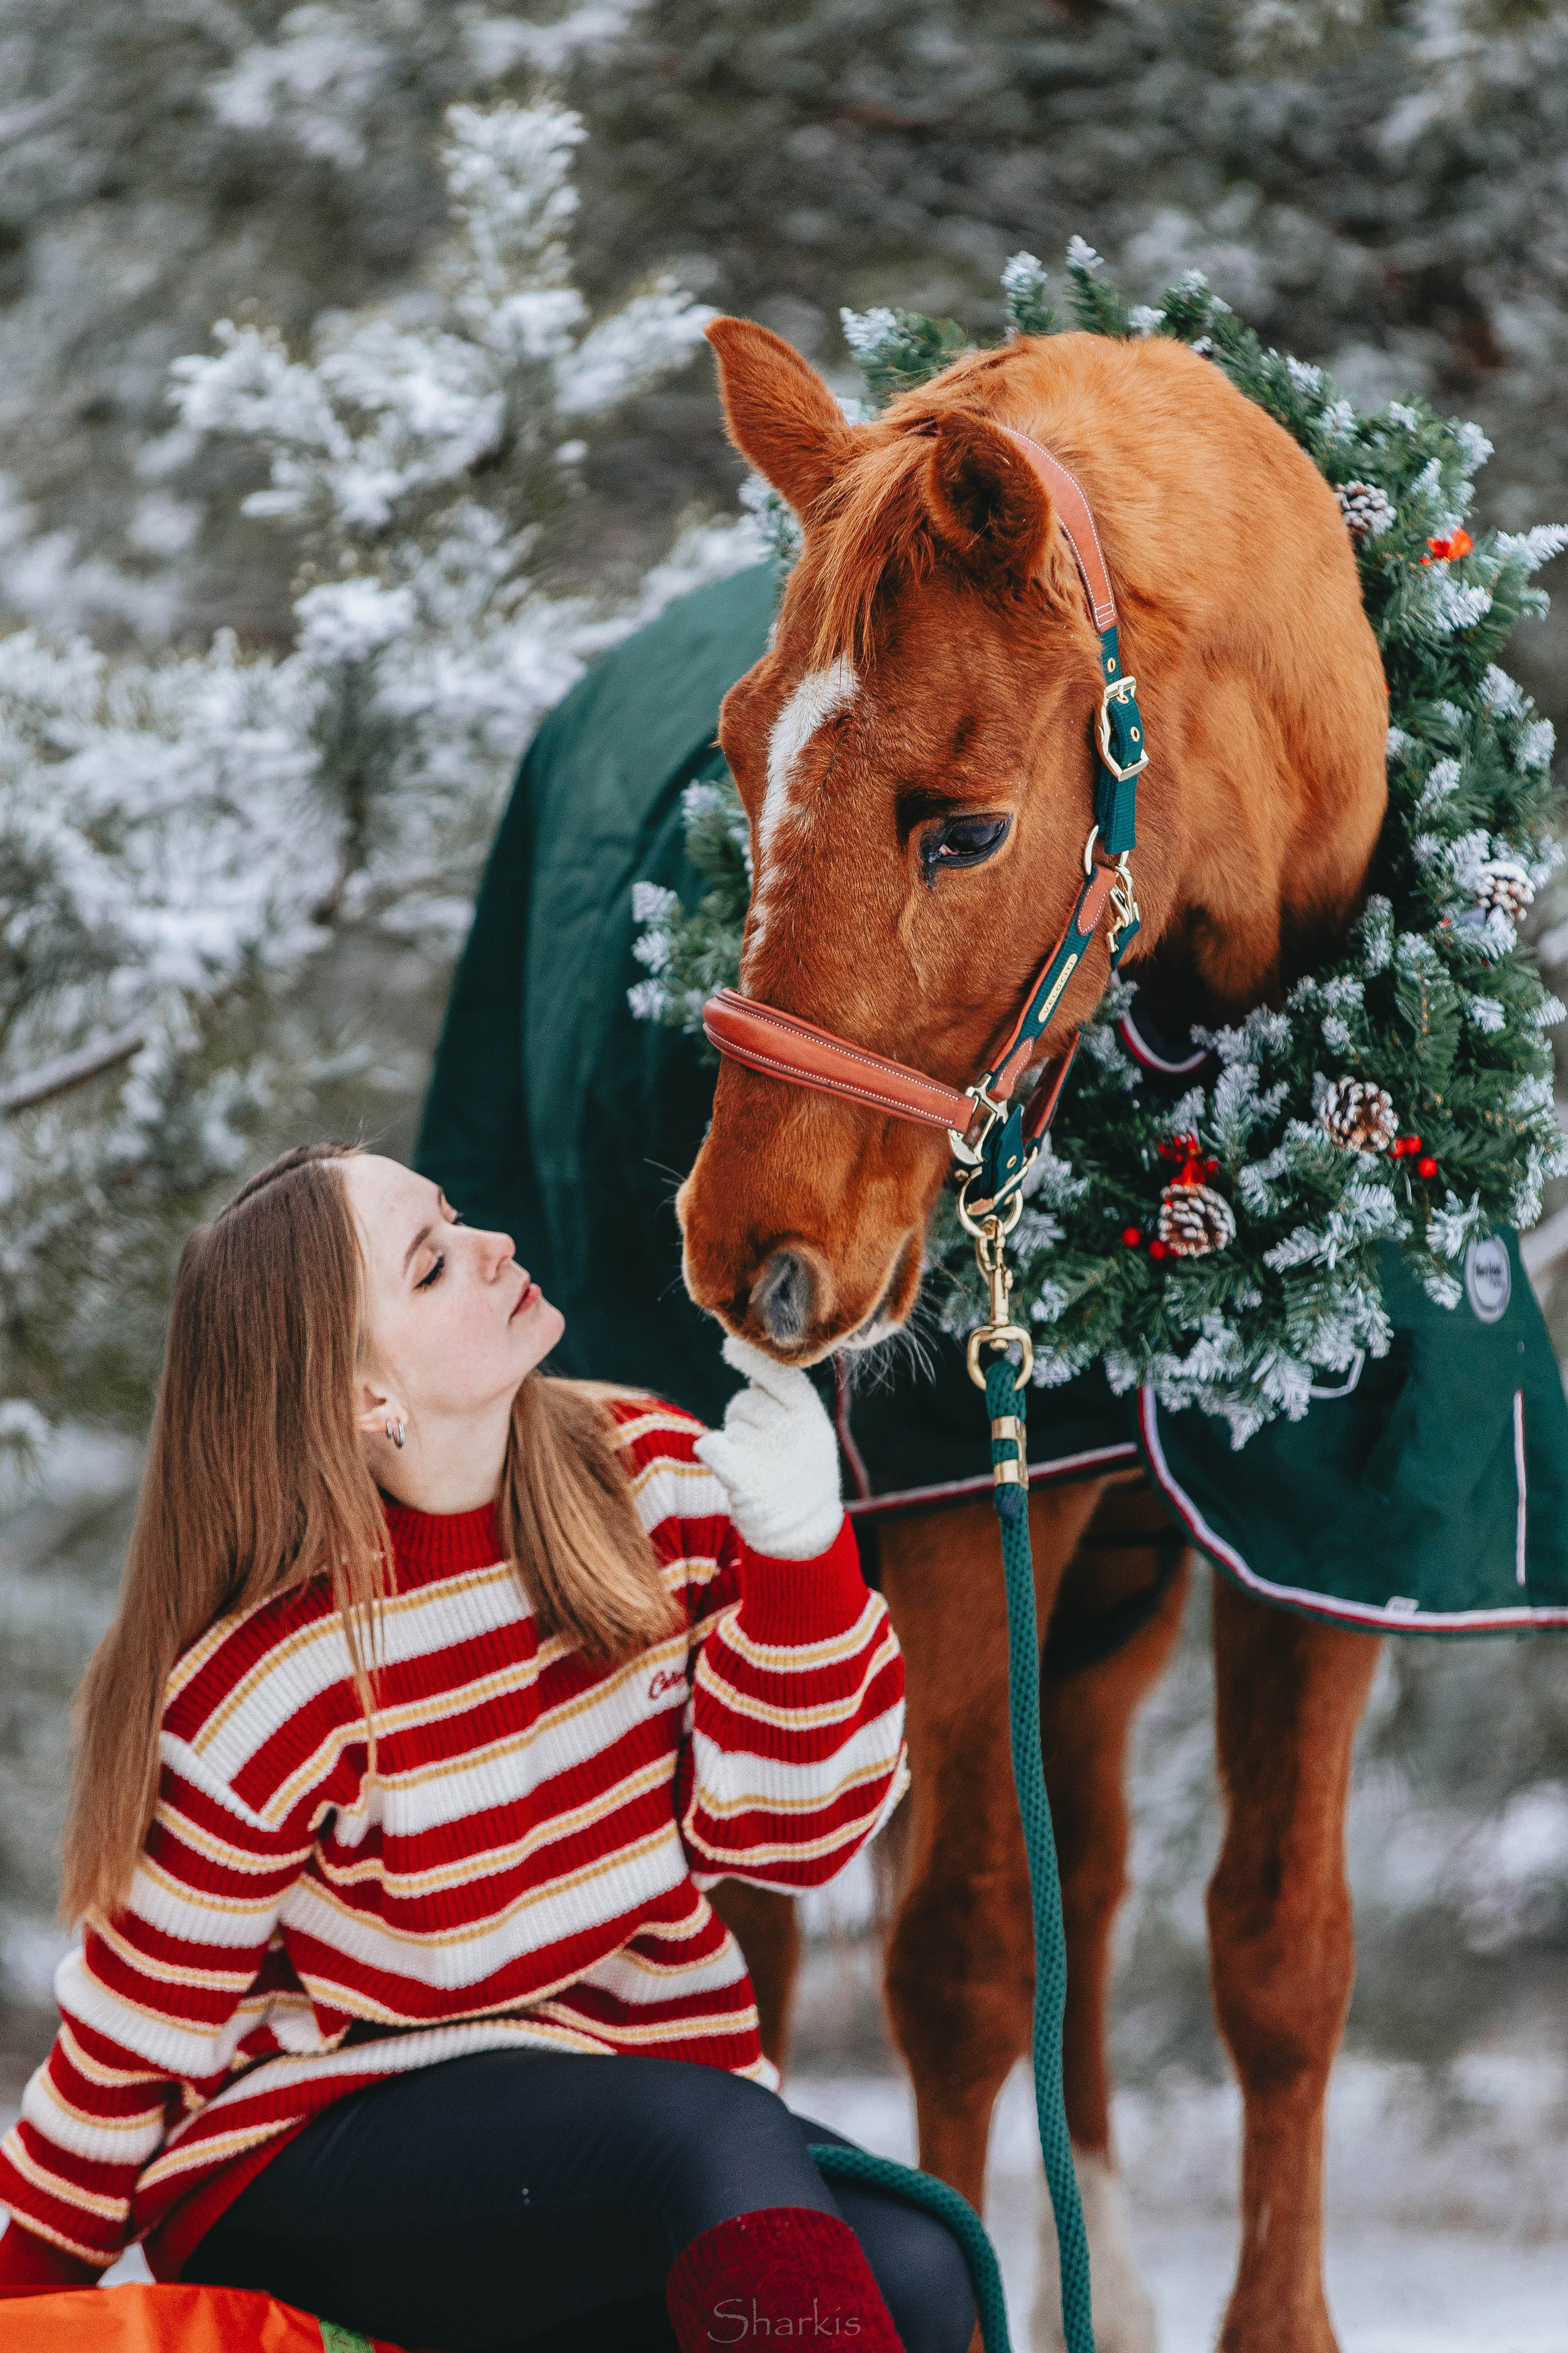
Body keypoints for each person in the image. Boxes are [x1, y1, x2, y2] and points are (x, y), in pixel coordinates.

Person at [0, 1145, 974, 2353]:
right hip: (301, 2157)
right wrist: (18, 2287)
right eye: (431, 1263)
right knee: (706, 2133)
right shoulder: (278, 1675)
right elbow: (130, 2044)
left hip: (613, 2119)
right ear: (365, 1399)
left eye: (455, 1217)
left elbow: (790, 1839)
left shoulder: (652, 1485)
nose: (491, 1244)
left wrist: (800, 1555)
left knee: (917, 2273)